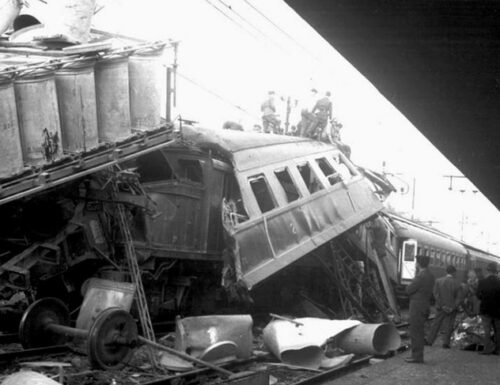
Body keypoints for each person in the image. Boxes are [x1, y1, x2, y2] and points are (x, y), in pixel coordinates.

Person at [405, 254, 435, 363]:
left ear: (418, 264)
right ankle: (417, 355)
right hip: (425, 304)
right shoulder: (430, 275)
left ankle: (416, 356)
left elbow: (408, 290)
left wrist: (410, 285)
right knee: (419, 331)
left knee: (415, 331)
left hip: (417, 306)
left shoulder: (420, 276)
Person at [427, 265, 463, 348]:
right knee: (449, 325)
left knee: (436, 324)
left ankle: (429, 341)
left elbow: (436, 295)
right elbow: (459, 298)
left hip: (441, 307)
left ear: (446, 271)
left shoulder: (438, 281)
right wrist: (453, 307)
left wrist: (442, 305)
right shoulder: (458, 283)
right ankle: (446, 343)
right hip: (452, 309)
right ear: (454, 272)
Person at [476, 262, 500, 355]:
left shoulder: (482, 282)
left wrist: (484, 298)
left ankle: (487, 349)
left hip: (485, 309)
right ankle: (498, 350)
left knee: (486, 330)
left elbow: (478, 295)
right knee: (498, 331)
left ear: (488, 271)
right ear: (496, 272)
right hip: (498, 310)